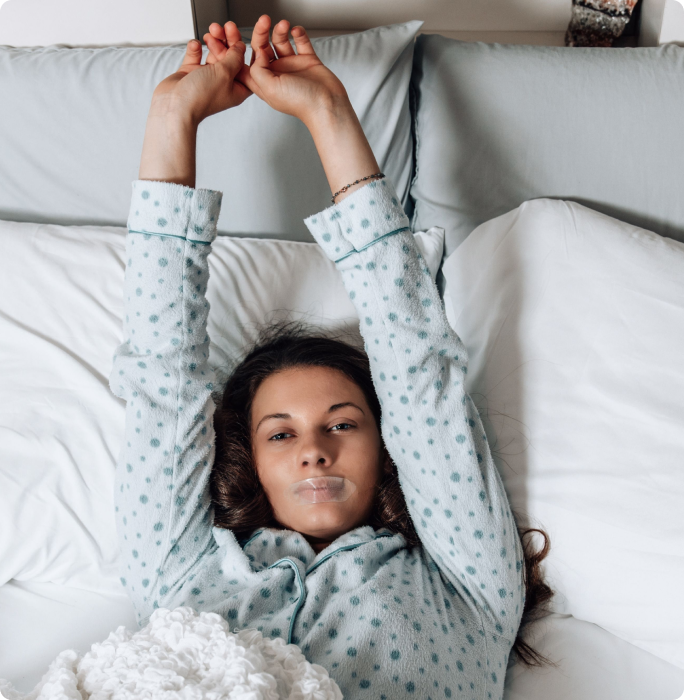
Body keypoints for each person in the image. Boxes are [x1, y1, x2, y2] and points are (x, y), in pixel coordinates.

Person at [110, 15, 550, 698]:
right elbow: (159, 381)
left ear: (390, 444)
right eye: (280, 433)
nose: (313, 451)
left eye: (341, 423)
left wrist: (329, 113)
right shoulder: (180, 568)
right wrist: (172, 116)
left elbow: (418, 373)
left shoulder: (465, 583)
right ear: (248, 460)